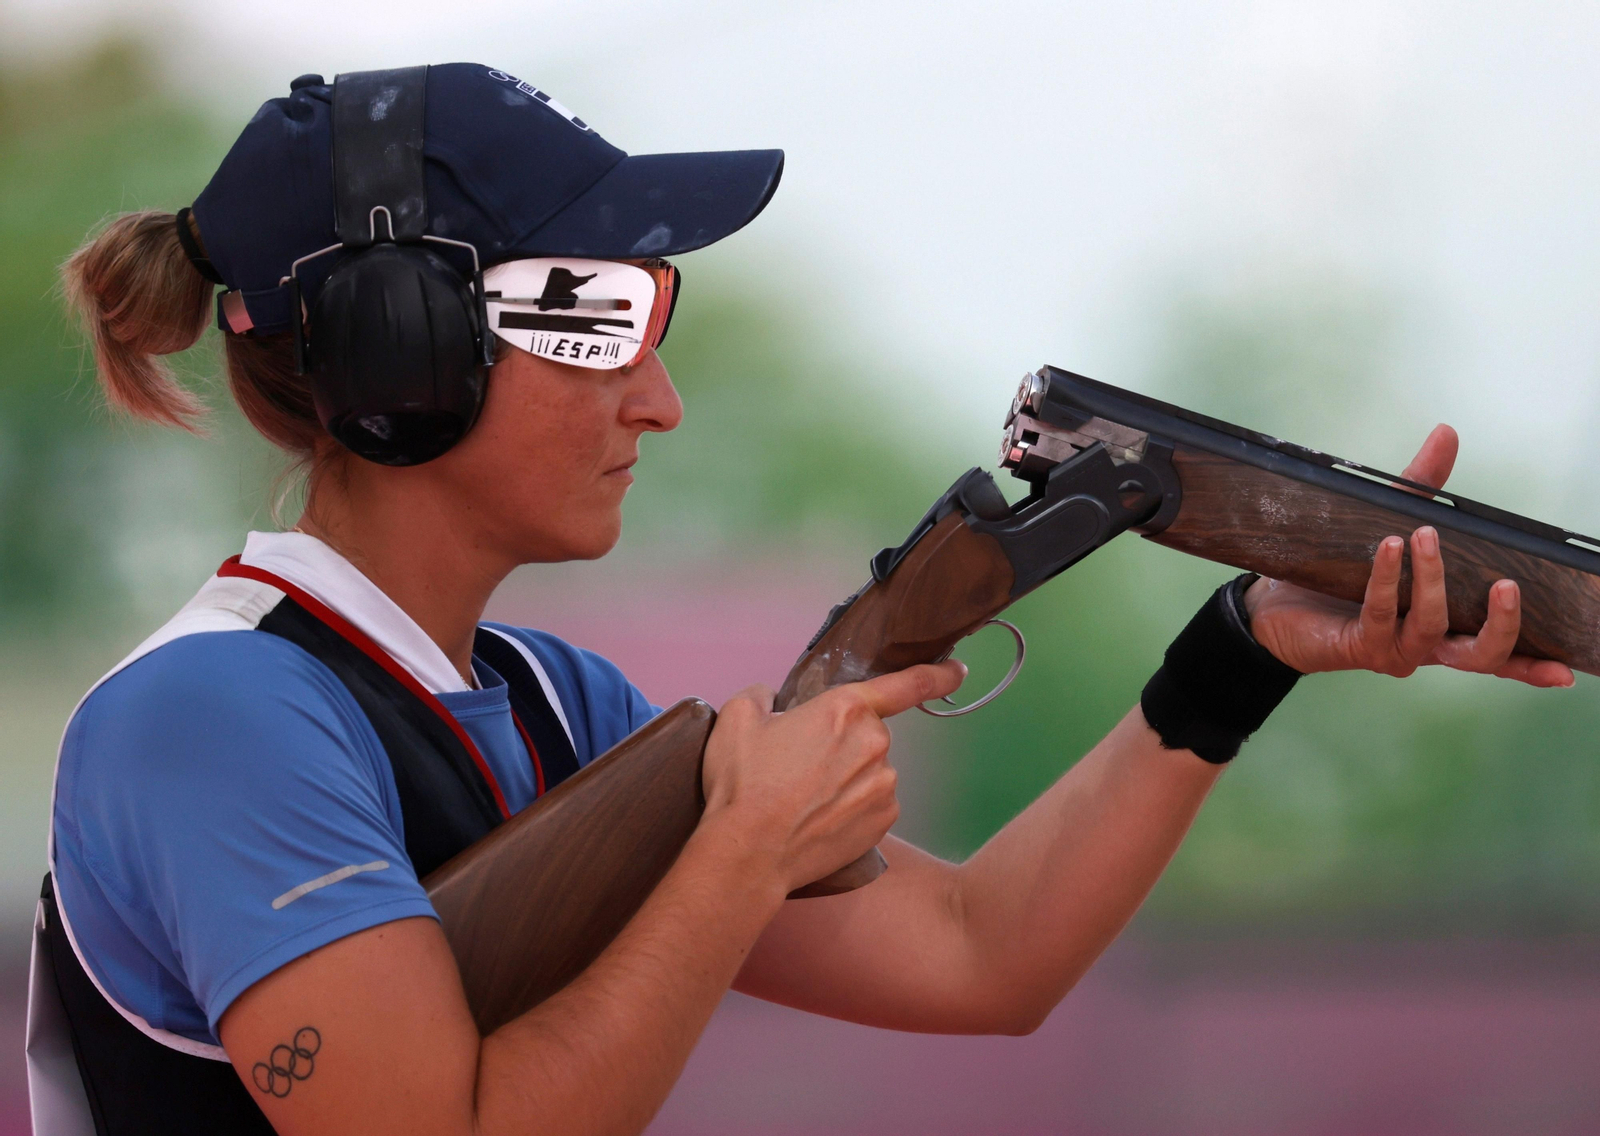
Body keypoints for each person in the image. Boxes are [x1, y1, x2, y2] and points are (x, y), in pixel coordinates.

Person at [28, 63, 1571, 1136]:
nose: (660, 400)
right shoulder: (208, 718)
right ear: (402, 345)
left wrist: (1240, 650)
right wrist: (740, 852)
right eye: (597, 315)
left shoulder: (565, 708)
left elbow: (985, 955)